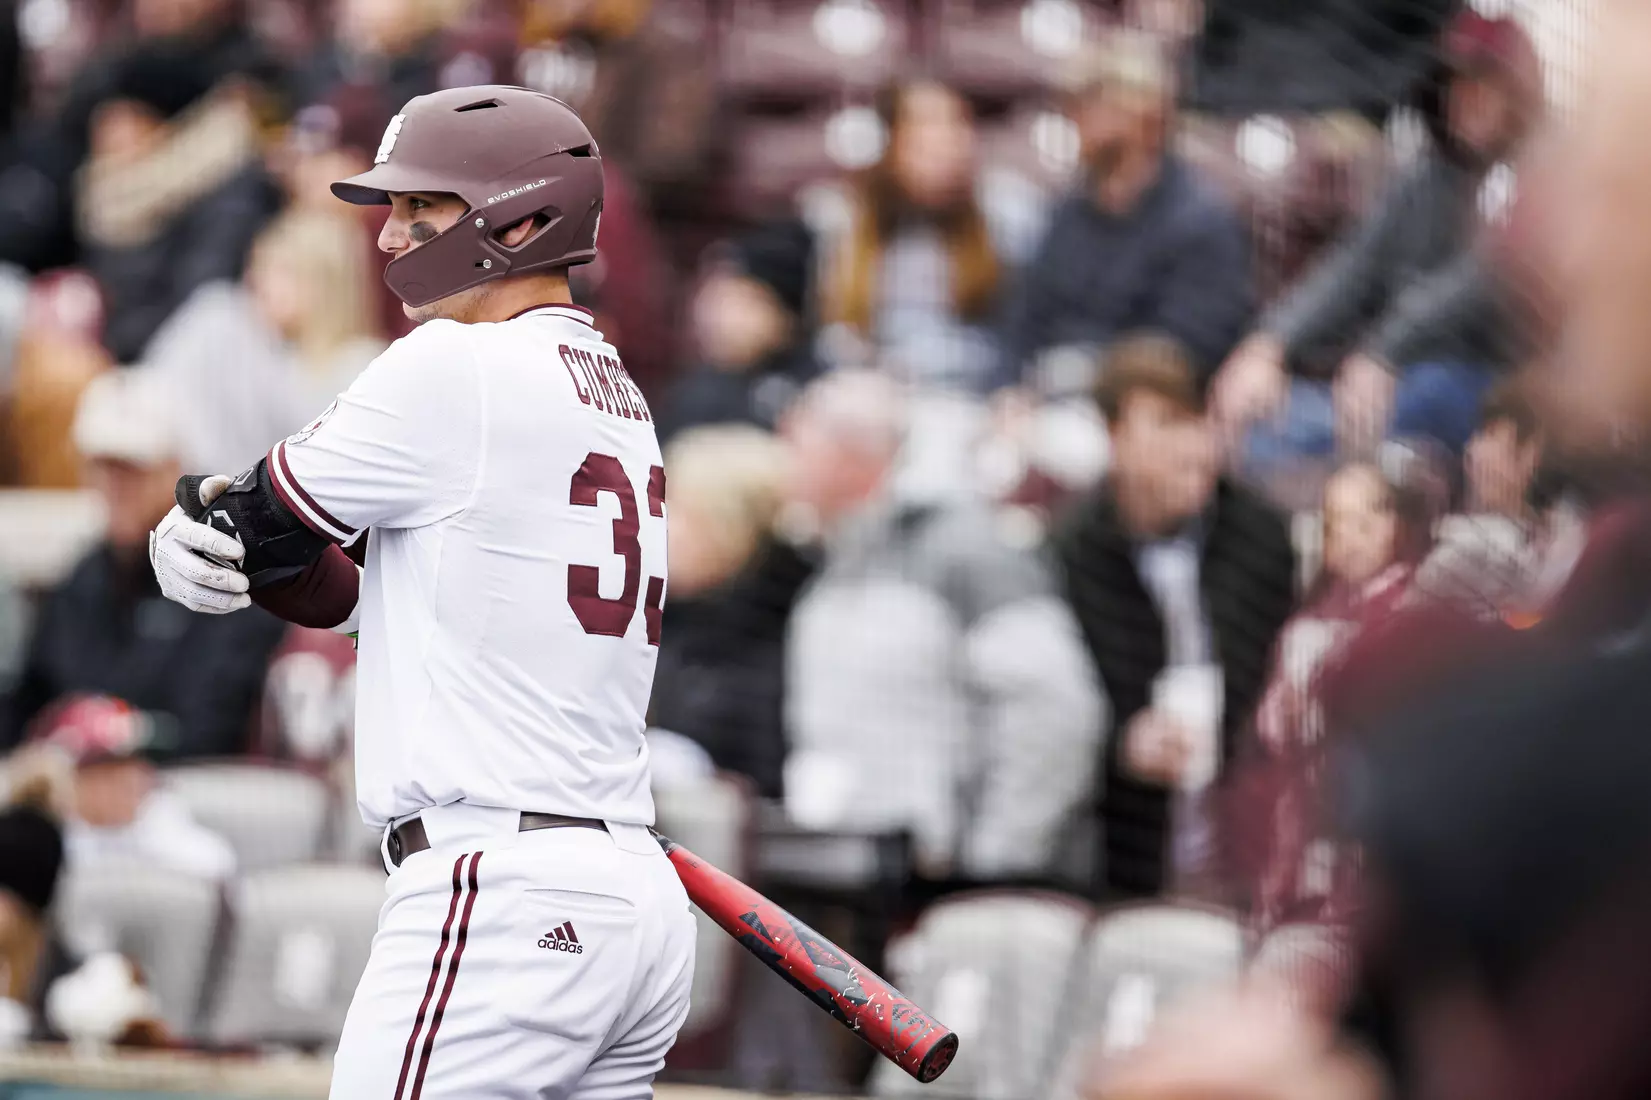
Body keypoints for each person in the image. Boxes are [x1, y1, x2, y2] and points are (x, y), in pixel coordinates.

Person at [144, 86, 695, 1100]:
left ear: (523, 220)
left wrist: (195, 525)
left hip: (501, 889)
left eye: (422, 211)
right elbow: (388, 598)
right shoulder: (617, 389)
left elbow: (255, 523)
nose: (391, 237)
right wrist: (276, 560)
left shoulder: (455, 362)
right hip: (626, 904)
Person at [781, 369, 1103, 883]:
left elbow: (1055, 712)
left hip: (943, 885)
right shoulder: (835, 557)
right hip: (854, 873)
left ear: (855, 455)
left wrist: (994, 862)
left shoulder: (969, 552)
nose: (786, 464)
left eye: (799, 444)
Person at [1213, 11, 1542, 463]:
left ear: (1516, 95)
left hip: (1489, 382)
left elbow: (1477, 282)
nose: (1469, 100)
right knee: (1256, 424)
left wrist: (1382, 352)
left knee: (1395, 404)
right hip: (1400, 371)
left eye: (1486, 85)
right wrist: (1271, 342)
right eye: (1458, 85)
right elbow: (1354, 265)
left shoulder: (1539, 178)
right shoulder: (1427, 175)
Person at [1049, 334, 1296, 901]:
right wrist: (1120, 741)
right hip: (1123, 847)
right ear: (1114, 437)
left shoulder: (1258, 535)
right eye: (1165, 424)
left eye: (1199, 421)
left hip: (1242, 831)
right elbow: (1057, 704)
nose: (1193, 446)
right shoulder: (1072, 551)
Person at [0, 369, 285, 756]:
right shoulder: (83, 578)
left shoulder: (227, 572)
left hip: (189, 801)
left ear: (178, 469)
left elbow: (213, 728)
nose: (116, 484)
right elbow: (26, 704)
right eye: (103, 465)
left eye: (133, 467)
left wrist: (121, 732)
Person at [999, 34, 1253, 389]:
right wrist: (1008, 392)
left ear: (1145, 117)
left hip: (1131, 408)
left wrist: (1086, 378)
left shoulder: (1200, 220)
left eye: (1090, 105)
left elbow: (1186, 349)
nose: (1074, 121)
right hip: (1044, 395)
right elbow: (1023, 321)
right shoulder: (1068, 211)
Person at [815, 77, 1042, 393]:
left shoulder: (1008, 213)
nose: (945, 148)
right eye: (923, 136)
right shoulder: (843, 218)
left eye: (956, 130)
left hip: (979, 390)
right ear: (888, 144)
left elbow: (1025, 331)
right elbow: (837, 335)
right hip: (879, 390)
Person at [142, 208, 387, 473]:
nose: (257, 281)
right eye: (258, 267)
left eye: (280, 271)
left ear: (325, 282)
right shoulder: (250, 340)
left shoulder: (362, 362)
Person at [646, 425, 814, 797]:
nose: (661, 526)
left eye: (681, 511)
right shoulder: (665, 621)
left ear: (732, 528)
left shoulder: (787, 631)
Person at [659, 218, 822, 441]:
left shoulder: (815, 394)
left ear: (785, 313)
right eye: (720, 299)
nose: (721, 318)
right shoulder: (697, 390)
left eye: (744, 303)